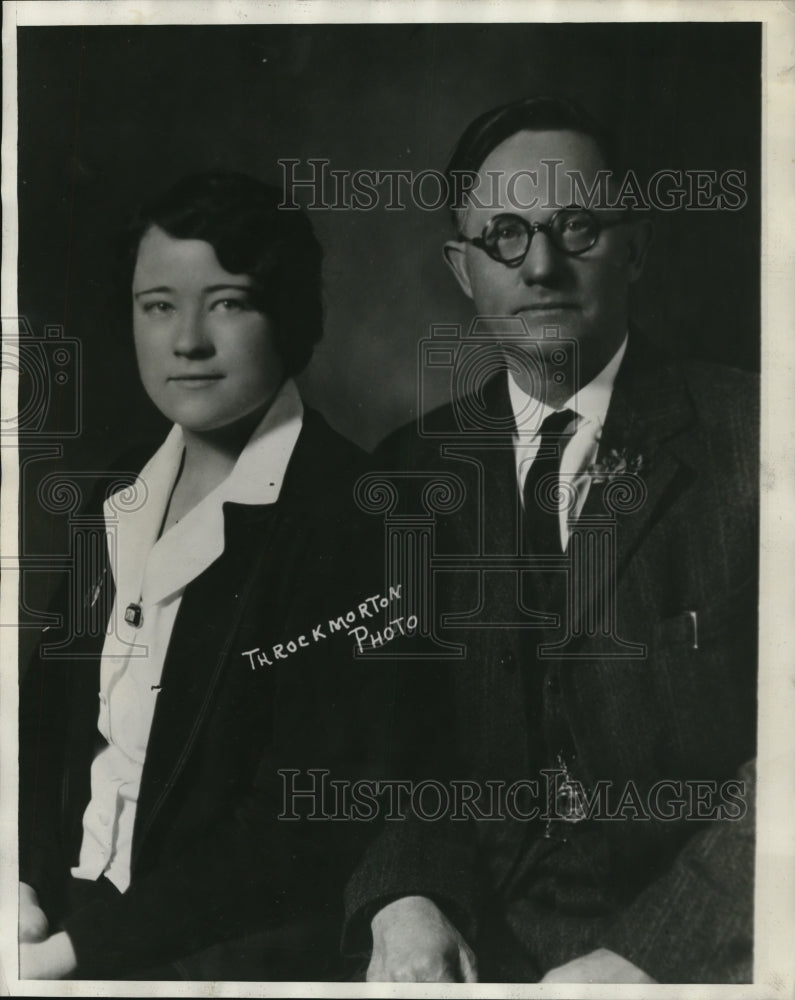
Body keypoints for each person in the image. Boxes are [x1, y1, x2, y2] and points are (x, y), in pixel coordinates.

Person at [343, 97, 758, 983]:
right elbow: (395, 747)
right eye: (502, 234)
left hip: (709, 953)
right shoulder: (409, 472)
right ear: (461, 268)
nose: (538, 265)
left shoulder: (758, 436)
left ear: (636, 246)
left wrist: (648, 957)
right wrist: (407, 896)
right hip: (476, 949)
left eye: (575, 227)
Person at [19, 172, 393, 980]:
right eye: (158, 304)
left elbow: (301, 820)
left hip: (222, 949)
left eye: (227, 302)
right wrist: (22, 884)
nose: (186, 339)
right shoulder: (118, 489)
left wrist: (74, 954)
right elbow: (44, 724)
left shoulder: (350, 513)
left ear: (289, 317)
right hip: (58, 914)